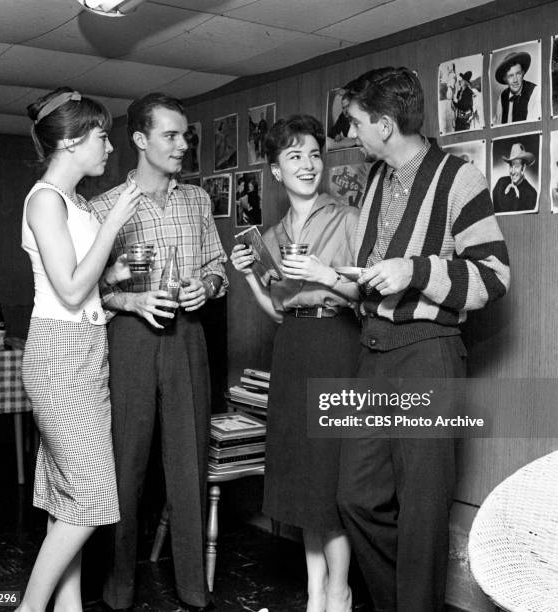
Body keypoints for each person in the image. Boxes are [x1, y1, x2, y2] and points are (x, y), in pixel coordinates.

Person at [337, 67, 510, 612]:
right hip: (375, 349)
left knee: (422, 510)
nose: (352, 133)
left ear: (385, 125)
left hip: (428, 354)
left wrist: (415, 271)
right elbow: (377, 272)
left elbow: (494, 276)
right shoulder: (377, 181)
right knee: (357, 497)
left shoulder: (458, 177)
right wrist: (336, 279)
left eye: (357, 123)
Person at [89, 92, 228, 612]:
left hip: (188, 336)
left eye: (185, 135)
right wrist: (131, 298)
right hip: (129, 339)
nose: (183, 144)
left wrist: (208, 287)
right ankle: (119, 583)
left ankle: (193, 584)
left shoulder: (196, 201)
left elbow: (218, 266)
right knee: (127, 462)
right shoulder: (104, 207)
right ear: (140, 140)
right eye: (171, 135)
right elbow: (85, 289)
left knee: (189, 461)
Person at [231, 115, 362, 612]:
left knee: (330, 477)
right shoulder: (272, 233)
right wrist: (247, 277)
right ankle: (314, 592)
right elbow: (277, 308)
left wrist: (325, 274)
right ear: (275, 171)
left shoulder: (349, 218)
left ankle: (339, 590)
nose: (307, 165)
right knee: (302, 479)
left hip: (337, 345)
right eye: (294, 156)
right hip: (293, 347)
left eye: (313, 154)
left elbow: (364, 296)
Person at [18, 87, 142, 612]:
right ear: (69, 141)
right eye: (100, 136)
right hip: (59, 352)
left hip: (88, 348)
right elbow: (68, 290)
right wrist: (115, 225)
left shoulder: (75, 202)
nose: (109, 147)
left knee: (67, 494)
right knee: (90, 500)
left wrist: (113, 275)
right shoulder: (45, 198)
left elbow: (84, 286)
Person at [493, 50, 541, 124]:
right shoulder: (502, 97)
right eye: (510, 76)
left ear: (523, 73)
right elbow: (497, 126)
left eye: (518, 73)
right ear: (505, 79)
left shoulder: (535, 92)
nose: (515, 80)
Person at [492, 142, 538, 213]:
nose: (512, 172)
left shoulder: (531, 193)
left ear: (523, 168)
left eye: (516, 166)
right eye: (511, 166)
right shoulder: (501, 183)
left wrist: (517, 197)